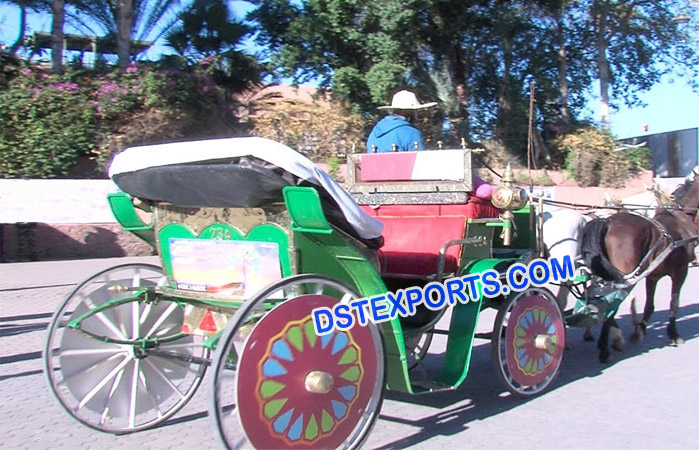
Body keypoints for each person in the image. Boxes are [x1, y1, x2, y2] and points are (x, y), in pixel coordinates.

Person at [366, 90, 437, 153]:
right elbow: (419, 163)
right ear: (408, 111)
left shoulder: (374, 132)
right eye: (415, 110)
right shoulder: (412, 133)